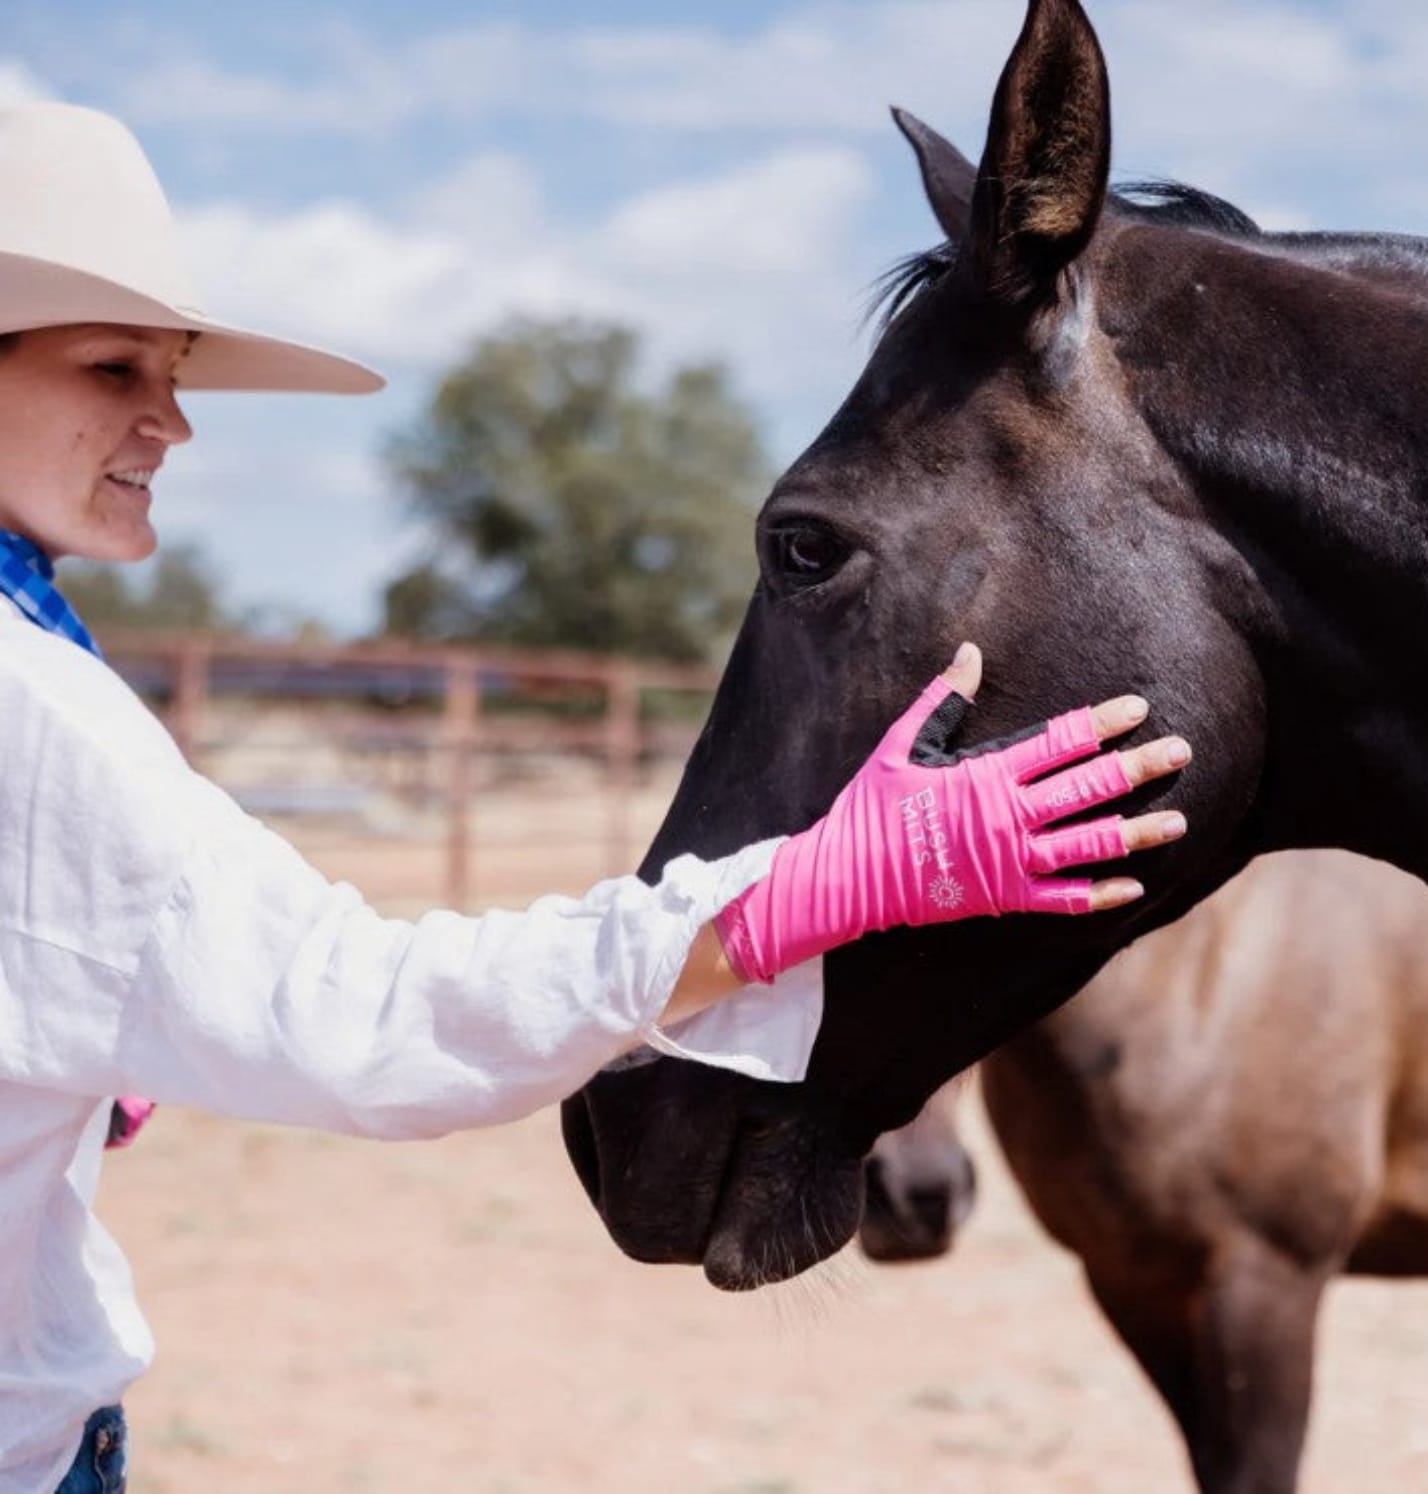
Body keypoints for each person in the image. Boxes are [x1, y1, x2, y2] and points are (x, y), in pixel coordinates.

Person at [0, 102, 1193, 1493]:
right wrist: (791, 893)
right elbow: (365, 1011)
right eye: (111, 364)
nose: (172, 417)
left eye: (173, 364)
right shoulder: (42, 718)